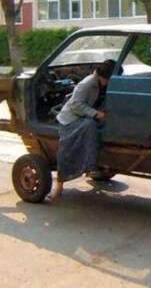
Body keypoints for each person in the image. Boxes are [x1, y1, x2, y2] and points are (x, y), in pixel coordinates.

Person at [48, 59, 116, 201]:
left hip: (85, 117)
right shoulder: (87, 84)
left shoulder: (99, 84)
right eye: (108, 80)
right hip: (70, 120)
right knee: (88, 127)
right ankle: (61, 183)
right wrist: (96, 114)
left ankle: (95, 163)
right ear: (102, 77)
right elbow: (75, 105)